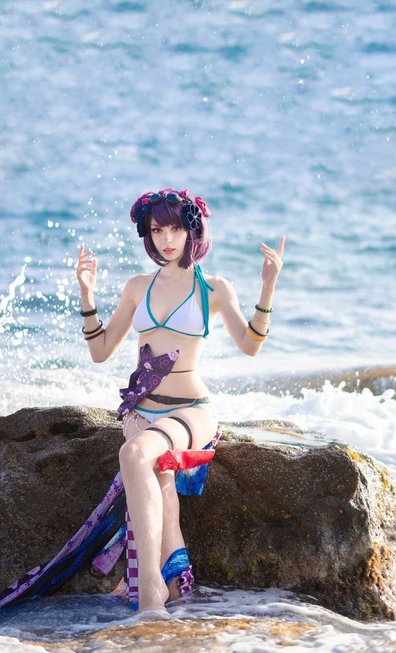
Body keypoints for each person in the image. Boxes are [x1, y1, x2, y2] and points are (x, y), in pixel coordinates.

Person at [76, 187, 285, 618]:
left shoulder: (213, 288)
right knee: (158, 474)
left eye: (175, 229)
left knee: (136, 454)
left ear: (193, 230)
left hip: (192, 410)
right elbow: (101, 351)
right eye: (157, 230)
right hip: (142, 408)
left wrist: (268, 288)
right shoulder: (137, 287)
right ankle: (174, 584)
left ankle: (150, 586)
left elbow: (250, 345)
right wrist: (87, 296)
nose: (166, 239)